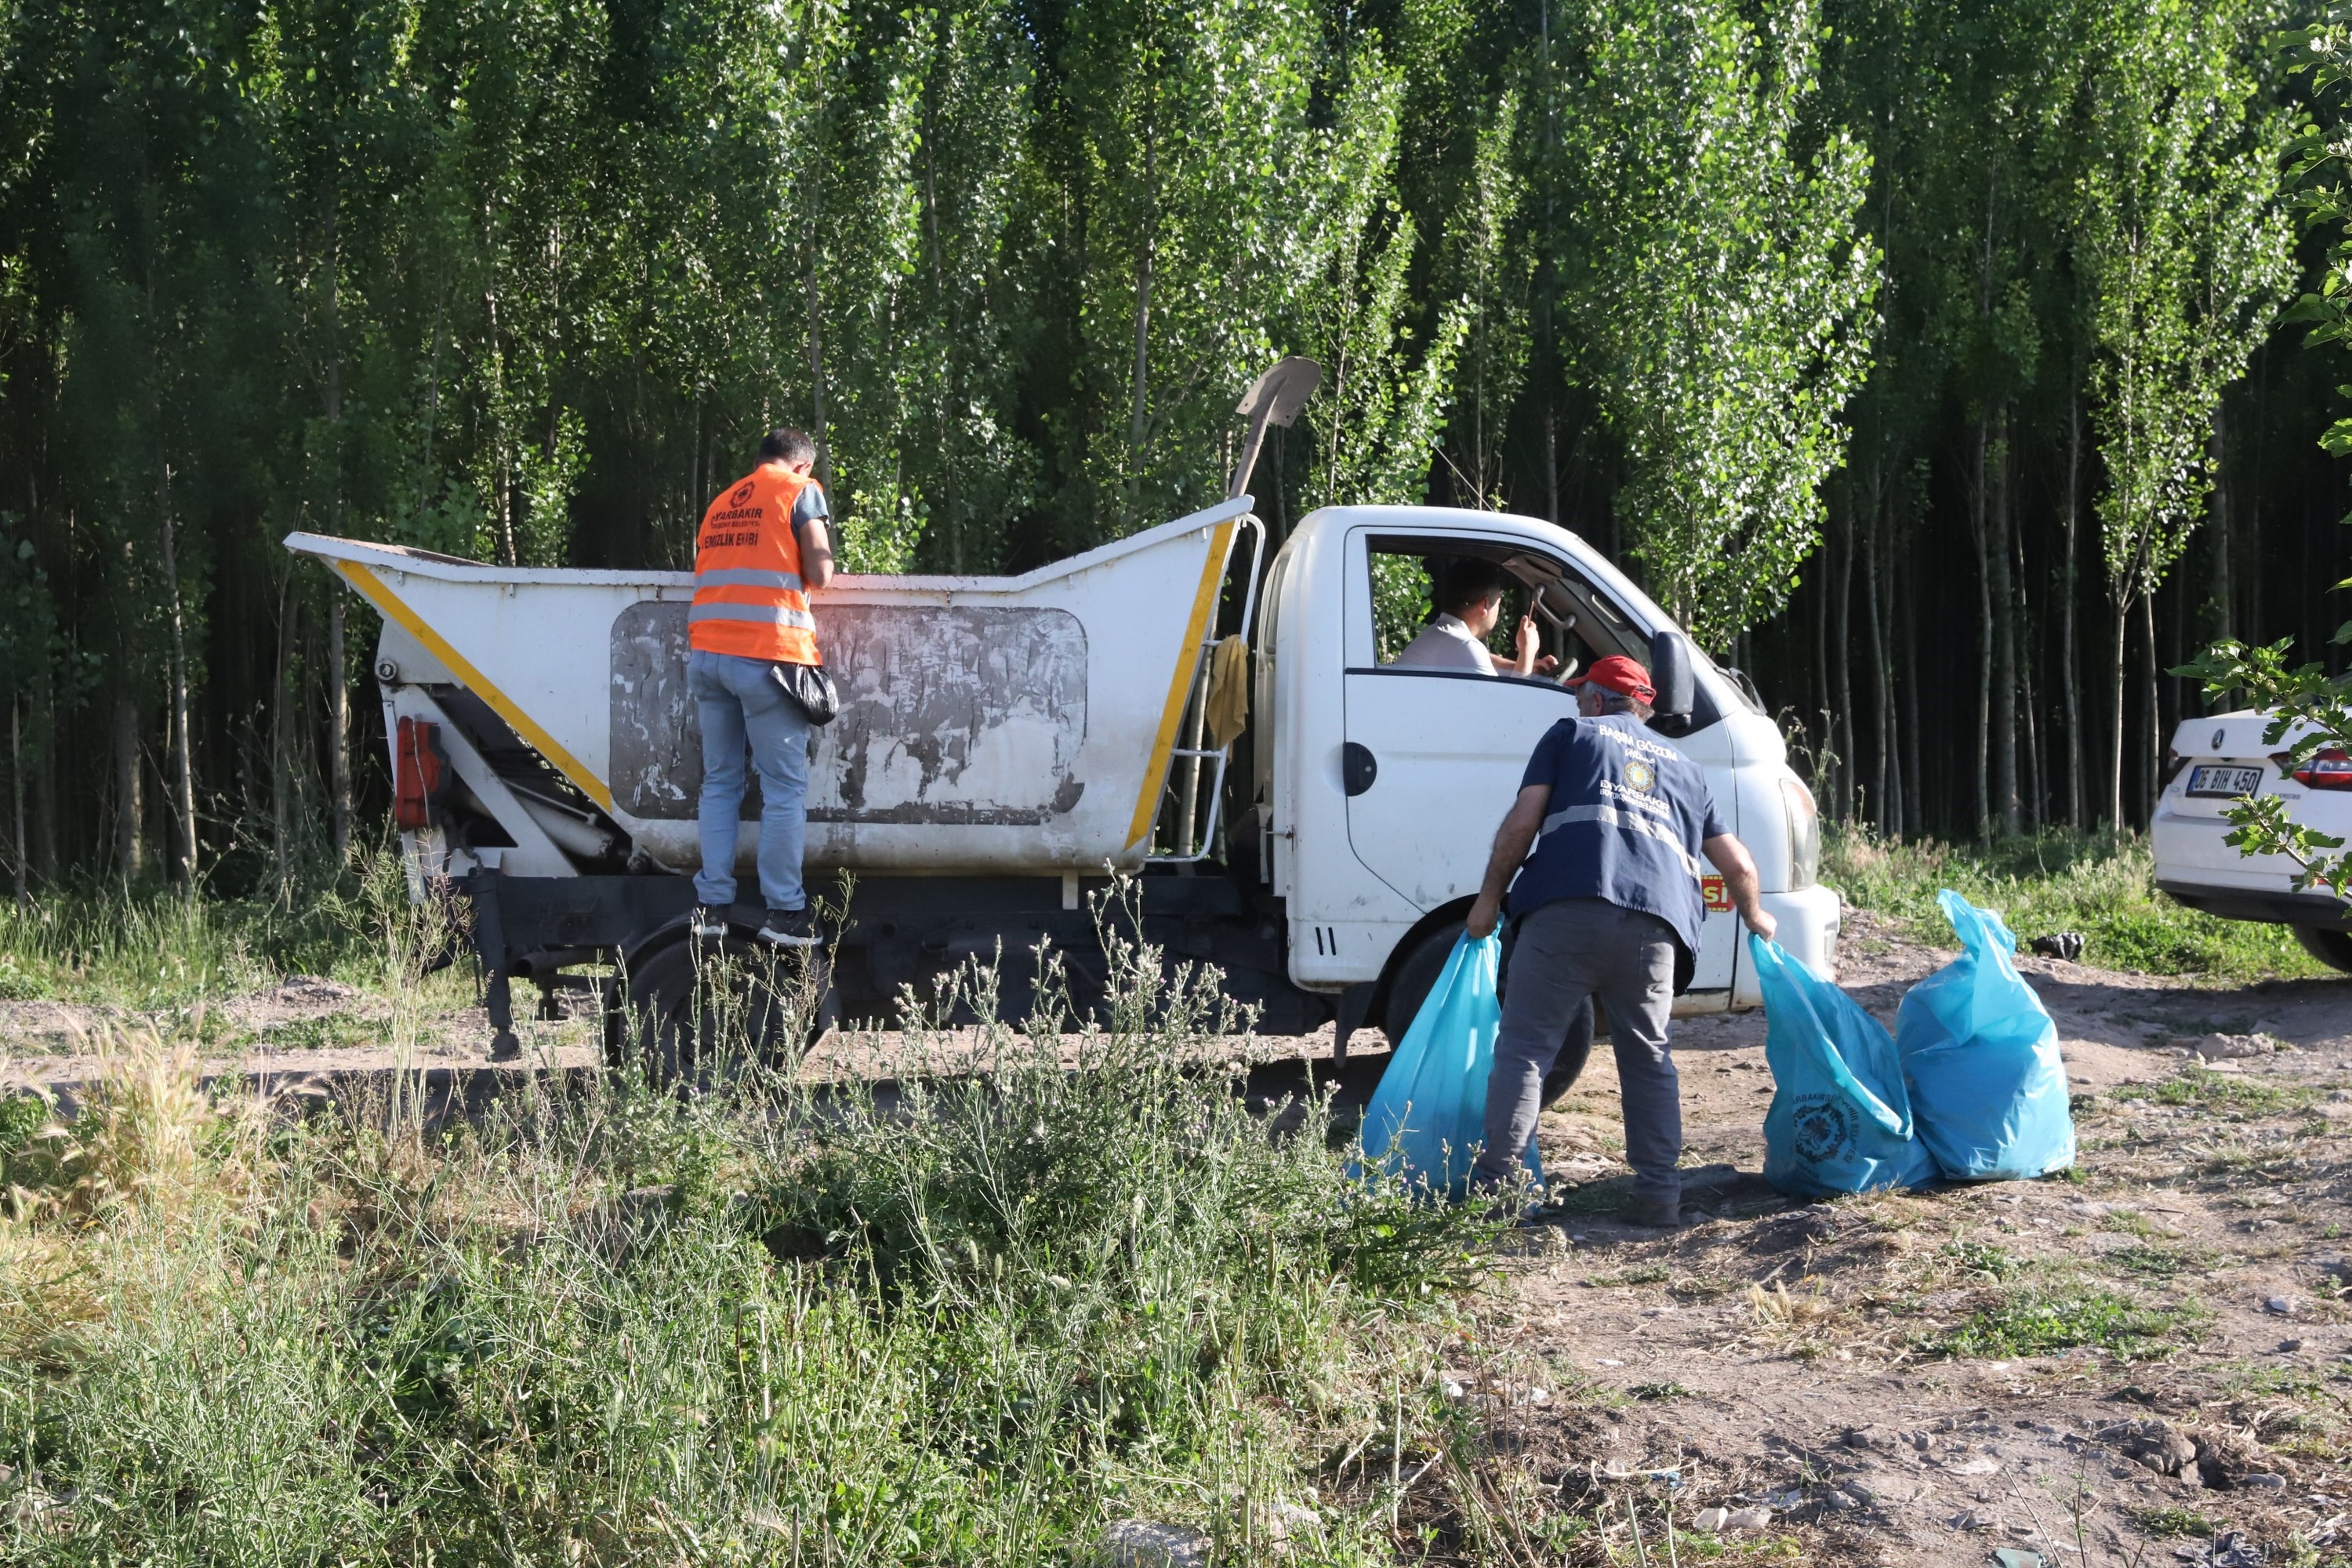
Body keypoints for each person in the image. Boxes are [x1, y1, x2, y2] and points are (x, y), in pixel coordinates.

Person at [1463, 654, 1776, 1227]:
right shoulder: (1688, 769)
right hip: (1655, 931)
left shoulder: (1571, 735)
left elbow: (1521, 823)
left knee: (1527, 1049)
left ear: (1600, 701)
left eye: (1582, 694)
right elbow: (1739, 864)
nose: (1578, 704)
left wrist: (1488, 901)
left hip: (1566, 911)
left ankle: (1497, 1194)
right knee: (1648, 1059)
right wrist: (1757, 918)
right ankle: (1659, 1196)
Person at [687, 427, 836, 947]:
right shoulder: (800, 490)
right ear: (800, 465)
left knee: (721, 783)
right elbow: (820, 571)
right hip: (768, 658)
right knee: (784, 790)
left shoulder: (723, 501)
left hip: (707, 655)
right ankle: (785, 913)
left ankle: (711, 906)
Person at [1389, 558, 1559, 678]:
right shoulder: (1463, 646)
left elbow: (1485, 659)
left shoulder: (1445, 636)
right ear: (1486, 605)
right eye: (1499, 604)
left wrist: (1524, 666)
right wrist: (1527, 652)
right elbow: (1509, 710)